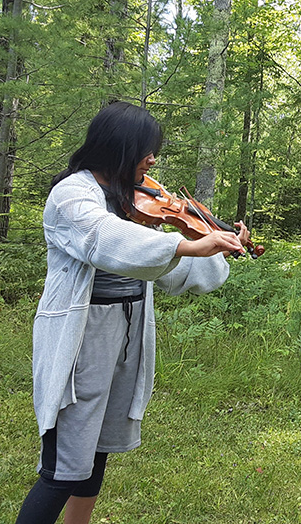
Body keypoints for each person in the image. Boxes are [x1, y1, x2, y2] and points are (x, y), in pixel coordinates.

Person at [16, 101, 248, 524]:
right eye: (146, 149)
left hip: (128, 330)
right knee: (64, 463)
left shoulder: (132, 197)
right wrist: (182, 243)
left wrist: (216, 239)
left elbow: (175, 275)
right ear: (118, 147)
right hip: (82, 336)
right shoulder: (72, 195)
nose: (153, 159)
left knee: (99, 445)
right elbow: (104, 238)